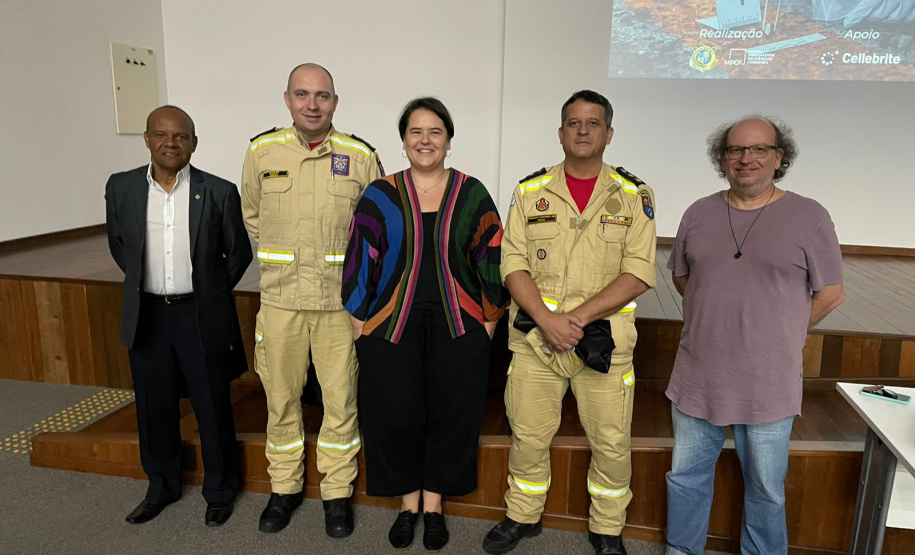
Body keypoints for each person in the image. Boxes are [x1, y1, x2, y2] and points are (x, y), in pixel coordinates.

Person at [484, 90, 657, 555]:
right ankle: (522, 516)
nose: (583, 130)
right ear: (560, 133)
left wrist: (574, 320)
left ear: (609, 133)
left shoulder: (633, 195)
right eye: (574, 123)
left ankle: (606, 528)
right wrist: (546, 320)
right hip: (537, 342)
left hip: (604, 343)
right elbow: (511, 264)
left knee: (612, 445)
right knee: (528, 437)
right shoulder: (529, 191)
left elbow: (639, 272)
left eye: (593, 123)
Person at [664, 117, 845, 555]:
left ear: (779, 158)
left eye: (758, 149)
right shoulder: (698, 212)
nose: (746, 159)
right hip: (698, 373)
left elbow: (833, 293)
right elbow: (684, 279)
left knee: (766, 487)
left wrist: (780, 333)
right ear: (721, 158)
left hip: (769, 380)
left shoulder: (810, 216)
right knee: (685, 477)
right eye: (735, 150)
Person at [342, 97, 508, 551]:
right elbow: (360, 259)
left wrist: (490, 321)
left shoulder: (471, 192)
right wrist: (360, 323)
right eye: (416, 132)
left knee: (450, 416)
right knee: (397, 415)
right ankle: (407, 504)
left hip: (460, 327)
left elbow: (492, 257)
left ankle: (434, 506)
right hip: (391, 327)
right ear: (403, 142)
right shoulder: (380, 193)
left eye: (435, 132)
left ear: (449, 142)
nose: (425, 140)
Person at [241, 63, 384, 536]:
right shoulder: (261, 152)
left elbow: (377, 231)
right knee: (279, 401)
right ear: (287, 99)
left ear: (335, 102)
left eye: (322, 96)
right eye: (302, 95)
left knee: (341, 403)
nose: (312, 104)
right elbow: (253, 217)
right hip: (281, 303)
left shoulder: (360, 156)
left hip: (339, 307)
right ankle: (284, 490)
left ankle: (336, 495)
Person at [105, 105, 251, 527]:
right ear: (148, 139)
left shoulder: (218, 191)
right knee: (154, 406)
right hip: (148, 314)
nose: (171, 143)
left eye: (181, 136)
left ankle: (220, 491)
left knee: (212, 404)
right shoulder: (122, 188)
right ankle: (161, 486)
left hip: (199, 314)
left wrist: (206, 289)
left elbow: (238, 253)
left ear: (193, 143)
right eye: (162, 135)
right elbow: (120, 245)